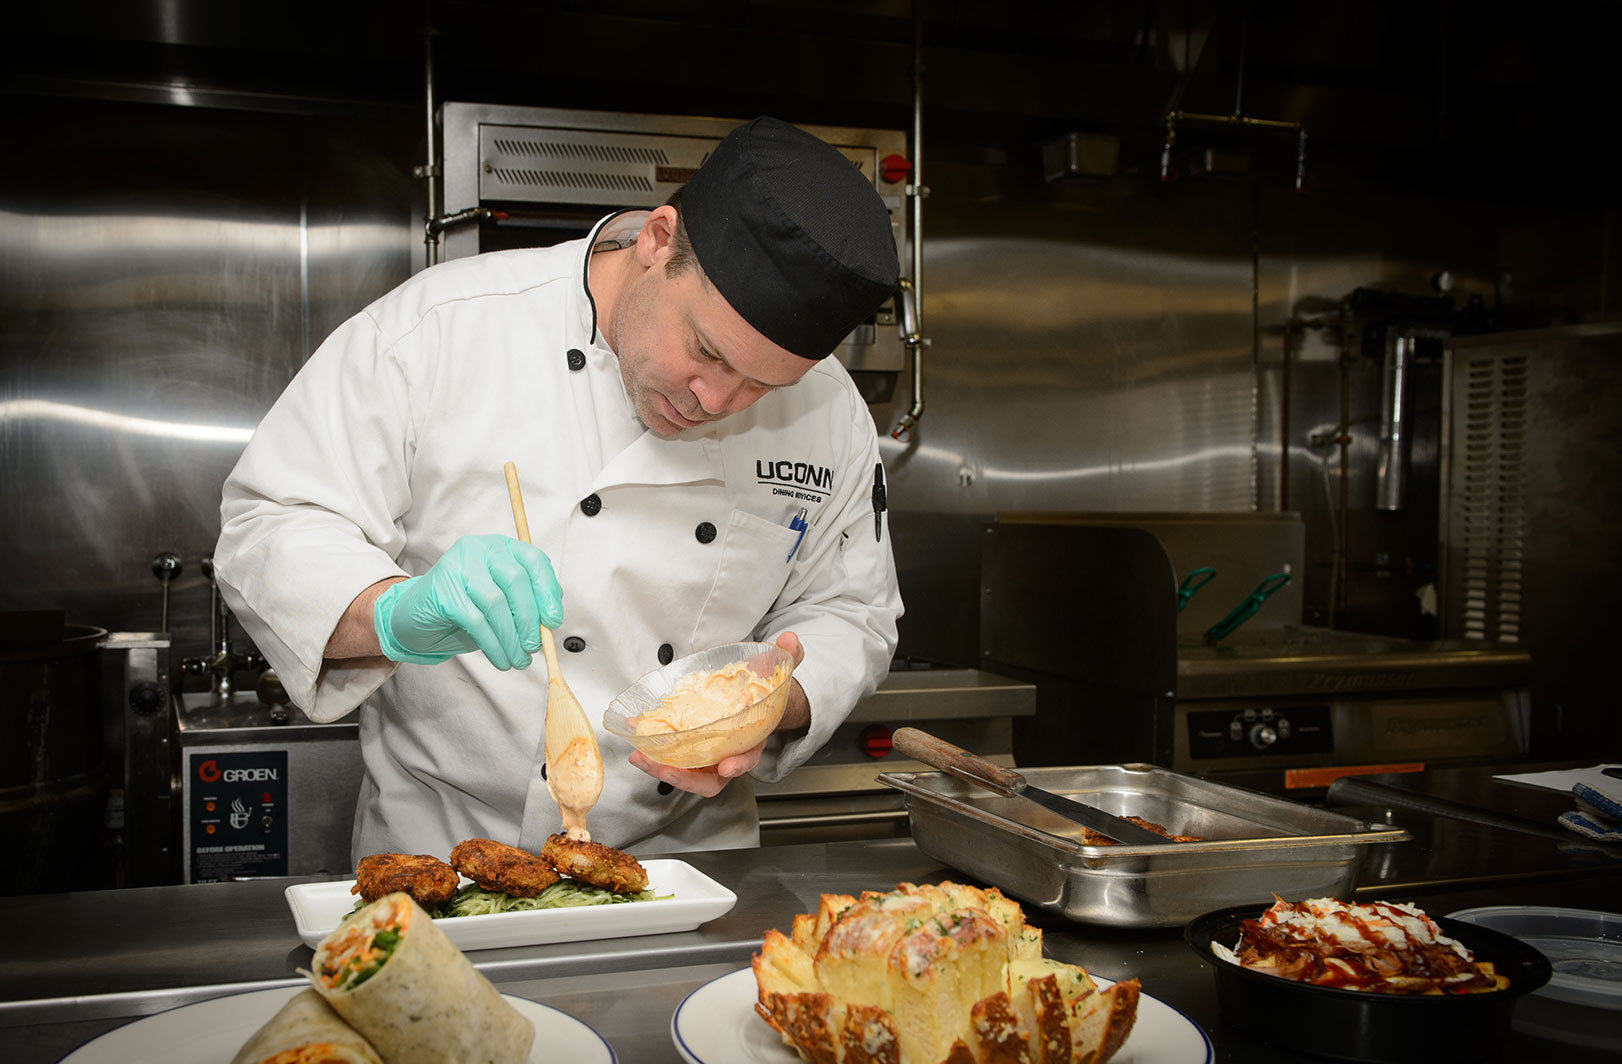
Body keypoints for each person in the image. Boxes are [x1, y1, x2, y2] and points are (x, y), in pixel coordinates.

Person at [213, 116, 903, 860]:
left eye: (762, 386)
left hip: (687, 865)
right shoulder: (443, 330)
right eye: (703, 350)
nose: (715, 399)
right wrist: (393, 613)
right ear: (657, 240)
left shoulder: (830, 412)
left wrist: (768, 706)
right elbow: (271, 525)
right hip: (448, 853)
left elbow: (849, 610)